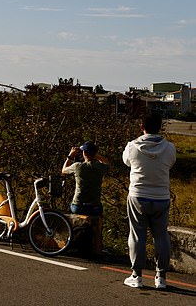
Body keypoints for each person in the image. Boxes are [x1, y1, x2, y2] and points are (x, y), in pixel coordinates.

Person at [122, 113, 176, 290]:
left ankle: (136, 275)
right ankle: (161, 277)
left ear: (141, 126)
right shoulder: (169, 148)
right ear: (160, 127)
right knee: (161, 235)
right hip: (161, 197)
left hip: (138, 195)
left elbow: (126, 162)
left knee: (138, 235)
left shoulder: (132, 146)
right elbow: (171, 163)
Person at [61, 141, 110, 216]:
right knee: (98, 212)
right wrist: (95, 155)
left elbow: (63, 170)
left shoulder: (77, 166)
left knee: (73, 207)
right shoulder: (100, 167)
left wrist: (70, 156)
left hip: (78, 206)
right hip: (94, 207)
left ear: (84, 153)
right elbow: (107, 163)